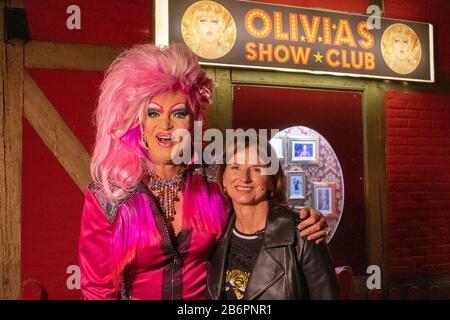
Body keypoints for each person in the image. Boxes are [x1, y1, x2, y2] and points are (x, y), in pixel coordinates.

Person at [78, 43, 328, 300]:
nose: (166, 124)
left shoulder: (214, 180)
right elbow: (98, 289)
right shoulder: (109, 196)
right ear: (140, 124)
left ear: (193, 122)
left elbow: (258, 210)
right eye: (153, 113)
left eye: (179, 113)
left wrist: (302, 222)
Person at [207, 134, 338, 300]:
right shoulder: (217, 235)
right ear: (223, 180)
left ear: (273, 181)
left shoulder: (303, 233)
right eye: (235, 167)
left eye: (257, 169)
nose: (244, 178)